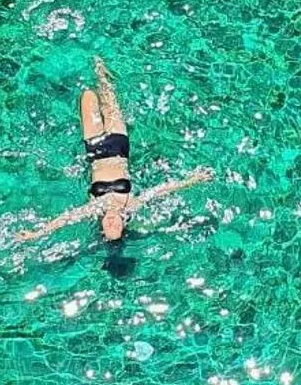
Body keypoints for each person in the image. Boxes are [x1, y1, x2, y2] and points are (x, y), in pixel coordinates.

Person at [15, 57, 213, 246]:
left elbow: (64, 219)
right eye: (116, 226)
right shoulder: (131, 203)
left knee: (88, 96)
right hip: (118, 147)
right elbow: (161, 190)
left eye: (107, 226)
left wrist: (36, 234)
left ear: (101, 226)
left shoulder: (94, 208)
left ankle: (65, 73)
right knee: (107, 94)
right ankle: (99, 65)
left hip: (95, 151)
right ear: (123, 222)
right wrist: (193, 180)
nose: (111, 223)